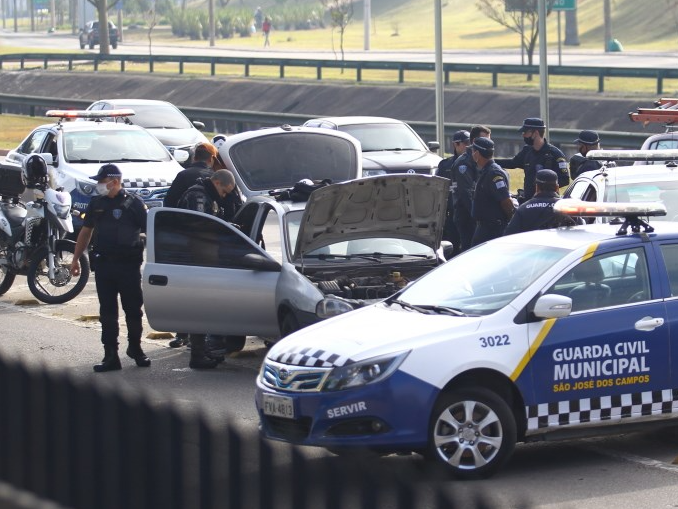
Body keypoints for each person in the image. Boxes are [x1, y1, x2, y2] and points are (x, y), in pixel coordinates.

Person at [70, 164, 150, 372]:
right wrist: (76, 258)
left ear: (114, 181)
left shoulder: (135, 204)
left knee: (133, 309)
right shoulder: (97, 203)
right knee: (107, 311)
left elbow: (151, 230)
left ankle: (135, 348)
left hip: (128, 266)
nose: (99, 185)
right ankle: (110, 355)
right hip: (105, 265)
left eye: (102, 181)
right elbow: (86, 232)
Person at [177, 170, 237, 369]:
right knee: (199, 307)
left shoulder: (206, 195)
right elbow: (201, 227)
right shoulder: (199, 196)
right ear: (217, 182)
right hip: (196, 261)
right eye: (224, 191)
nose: (224, 195)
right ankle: (198, 354)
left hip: (201, 260)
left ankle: (202, 351)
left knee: (202, 306)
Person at [495, 117, 569, 202]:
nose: (523, 135)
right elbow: (512, 163)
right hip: (528, 200)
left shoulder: (555, 154)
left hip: (547, 202)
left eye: (526, 132)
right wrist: (491, 162)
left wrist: (545, 186)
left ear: (536, 133)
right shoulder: (527, 151)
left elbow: (565, 179)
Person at [451, 125, 492, 253]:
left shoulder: (483, 159)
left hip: (479, 215)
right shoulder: (464, 163)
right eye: (485, 140)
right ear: (475, 142)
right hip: (468, 216)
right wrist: (478, 216)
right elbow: (466, 193)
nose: (488, 144)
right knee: (469, 250)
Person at [504, 169, 581, 235]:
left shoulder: (523, 209)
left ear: (537, 187)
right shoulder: (568, 208)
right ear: (557, 188)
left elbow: (509, 236)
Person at [470, 137, 514, 247]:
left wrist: (511, 222)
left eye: (473, 151)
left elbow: (505, 201)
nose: (472, 154)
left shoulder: (494, 173)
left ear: (477, 153)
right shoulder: (485, 170)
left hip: (492, 229)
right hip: (484, 227)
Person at [437, 130, 469, 255]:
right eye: (465, 143)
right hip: (451, 213)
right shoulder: (445, 165)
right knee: (451, 247)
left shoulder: (473, 163)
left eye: (470, 142)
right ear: (456, 144)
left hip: (466, 212)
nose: (468, 146)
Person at [164, 142, 220, 209]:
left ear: (194, 157)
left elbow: (169, 202)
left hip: (184, 217)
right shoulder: (215, 177)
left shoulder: (182, 175)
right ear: (211, 159)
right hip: (210, 218)